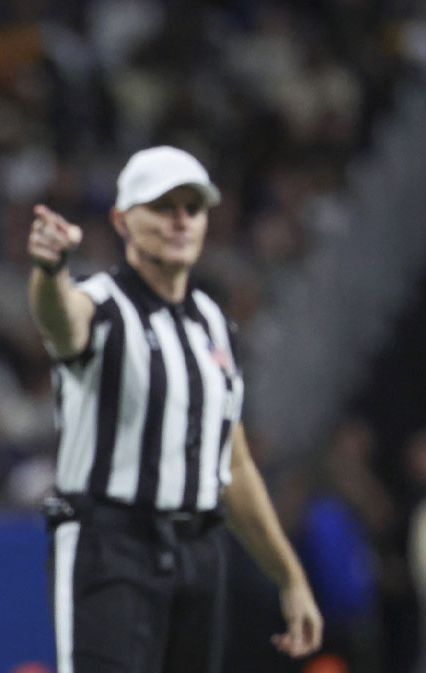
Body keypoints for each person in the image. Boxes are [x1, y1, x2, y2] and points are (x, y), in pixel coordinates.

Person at [26, 145, 323, 673]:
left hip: (198, 552)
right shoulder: (102, 302)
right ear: (122, 219)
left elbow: (232, 466)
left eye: (193, 207)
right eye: (163, 207)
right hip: (109, 547)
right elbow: (59, 319)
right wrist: (50, 271)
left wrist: (290, 577)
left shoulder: (210, 321)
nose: (181, 220)